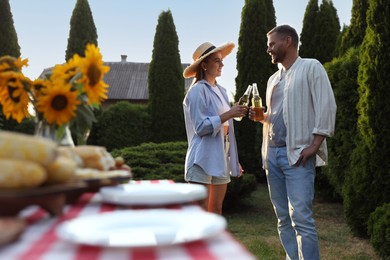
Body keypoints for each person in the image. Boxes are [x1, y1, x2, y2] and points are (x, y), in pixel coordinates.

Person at [249, 25, 337, 259]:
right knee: (282, 218)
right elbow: (276, 113)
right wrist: (262, 117)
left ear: (288, 41)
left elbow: (326, 107)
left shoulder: (311, 67)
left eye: (271, 44)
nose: (268, 49)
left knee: (301, 218)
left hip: (297, 155)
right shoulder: (272, 79)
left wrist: (314, 146)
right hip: (273, 156)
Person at [182, 42, 246, 215]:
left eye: (221, 60)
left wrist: (232, 157)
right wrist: (229, 113)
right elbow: (201, 127)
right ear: (204, 65)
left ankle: (211, 242)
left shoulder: (222, 91)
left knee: (216, 210)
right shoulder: (196, 91)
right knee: (200, 213)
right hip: (201, 158)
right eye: (217, 61)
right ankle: (194, 242)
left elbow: (227, 129)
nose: (222, 64)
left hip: (221, 157)